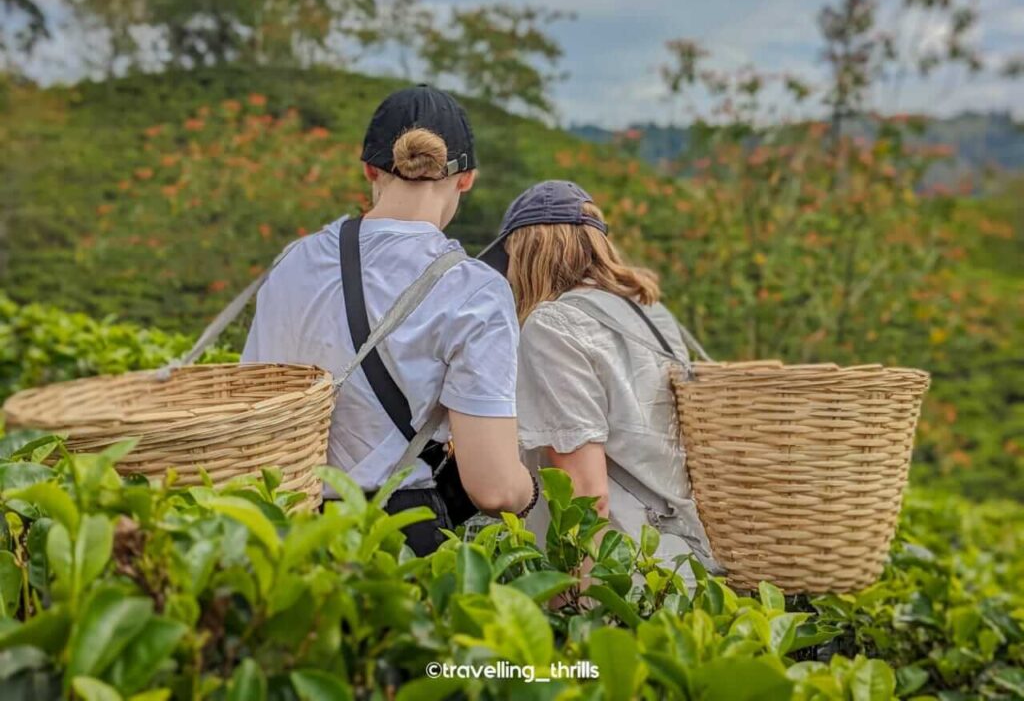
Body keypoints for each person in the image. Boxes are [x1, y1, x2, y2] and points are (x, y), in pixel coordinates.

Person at [242, 84, 537, 554]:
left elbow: (251, 398)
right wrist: (533, 493)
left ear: (370, 170)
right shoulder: (472, 290)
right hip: (394, 540)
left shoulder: (292, 262)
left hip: (278, 530)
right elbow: (495, 488)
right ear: (466, 179)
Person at [479, 180, 717, 581]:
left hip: (619, 576)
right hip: (683, 563)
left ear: (526, 251)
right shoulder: (649, 312)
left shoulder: (551, 326)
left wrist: (568, 596)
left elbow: (585, 492)